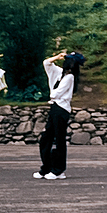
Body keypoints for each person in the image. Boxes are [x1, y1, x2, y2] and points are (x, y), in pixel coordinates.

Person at [34, 50, 83, 179]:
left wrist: (51, 95)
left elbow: (56, 93)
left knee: (59, 139)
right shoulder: (58, 72)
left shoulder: (70, 77)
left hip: (62, 109)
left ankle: (58, 169)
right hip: (54, 107)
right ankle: (47, 167)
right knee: (46, 138)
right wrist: (57, 57)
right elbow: (46, 63)